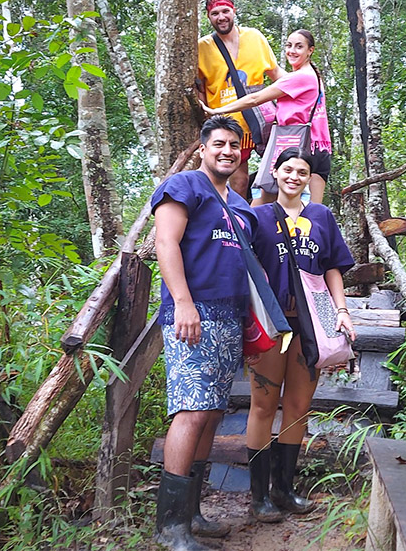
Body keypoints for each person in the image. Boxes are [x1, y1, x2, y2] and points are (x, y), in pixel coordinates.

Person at [150, 115, 258, 550]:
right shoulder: (183, 187)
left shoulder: (242, 205)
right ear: (203, 148)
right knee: (191, 411)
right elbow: (165, 243)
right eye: (219, 144)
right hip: (190, 317)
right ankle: (170, 527)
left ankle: (191, 513)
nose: (227, 151)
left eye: (234, 145)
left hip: (229, 319)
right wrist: (183, 301)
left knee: (212, 414)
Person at [243, 148, 356, 522]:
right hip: (273, 325)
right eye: (288, 169)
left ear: (310, 179)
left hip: (311, 325)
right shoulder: (256, 217)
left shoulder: (321, 216)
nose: (294, 176)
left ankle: (285, 488)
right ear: (274, 173)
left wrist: (341, 311)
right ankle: (259, 496)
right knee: (262, 405)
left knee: (297, 406)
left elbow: (333, 268)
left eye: (302, 172)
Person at [200, 29, 333, 205]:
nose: (292, 51)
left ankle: (240, 230)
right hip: (319, 147)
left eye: (299, 47)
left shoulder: (299, 77)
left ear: (310, 50)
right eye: (289, 45)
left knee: (262, 201)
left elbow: (254, 98)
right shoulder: (315, 76)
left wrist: (217, 111)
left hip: (295, 144)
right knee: (311, 210)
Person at [197, 0, 286, 199]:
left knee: (279, 173)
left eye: (225, 11)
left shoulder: (254, 37)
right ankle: (237, 223)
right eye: (215, 13)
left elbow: (277, 74)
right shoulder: (202, 47)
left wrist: (305, 84)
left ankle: (272, 224)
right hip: (228, 123)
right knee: (239, 181)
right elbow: (200, 88)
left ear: (234, 11)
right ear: (208, 17)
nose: (221, 17)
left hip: (262, 120)